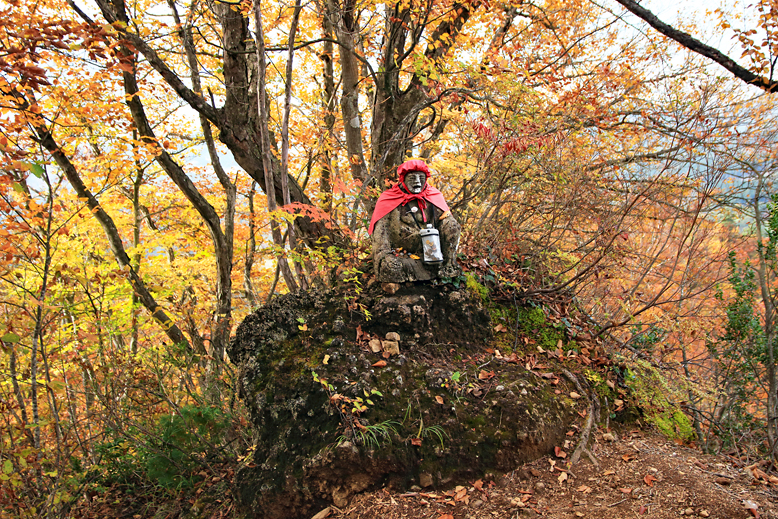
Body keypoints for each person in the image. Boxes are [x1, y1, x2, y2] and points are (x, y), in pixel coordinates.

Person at [369, 159, 461, 283]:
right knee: (390, 267)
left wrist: (451, 228)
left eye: (421, 178)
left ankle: (448, 263)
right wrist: (383, 254)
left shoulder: (433, 195)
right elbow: (381, 230)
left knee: (452, 225)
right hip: (403, 252)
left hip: (432, 251)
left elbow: (446, 218)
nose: (417, 182)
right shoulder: (390, 198)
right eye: (412, 178)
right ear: (403, 179)